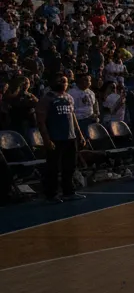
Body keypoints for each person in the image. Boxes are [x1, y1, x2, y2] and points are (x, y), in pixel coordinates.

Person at [35, 73, 88, 202]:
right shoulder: (47, 99)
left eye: (64, 81)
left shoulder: (69, 97)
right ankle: (51, 194)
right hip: (55, 137)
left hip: (70, 136)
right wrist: (46, 139)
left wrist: (80, 134)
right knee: (53, 167)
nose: (62, 83)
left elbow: (73, 116)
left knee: (70, 166)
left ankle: (68, 192)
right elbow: (41, 121)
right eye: (59, 80)